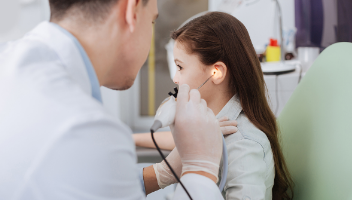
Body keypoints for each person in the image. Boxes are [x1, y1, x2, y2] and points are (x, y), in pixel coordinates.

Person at [0, 0, 226, 199]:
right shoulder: (84, 129)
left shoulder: (12, 63)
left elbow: (84, 186)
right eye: (152, 22)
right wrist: (200, 172)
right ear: (132, 9)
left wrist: (162, 173)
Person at [134, 12, 294, 200]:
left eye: (180, 67)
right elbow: (188, 141)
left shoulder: (243, 145)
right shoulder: (217, 120)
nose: (175, 78)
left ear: (216, 72)